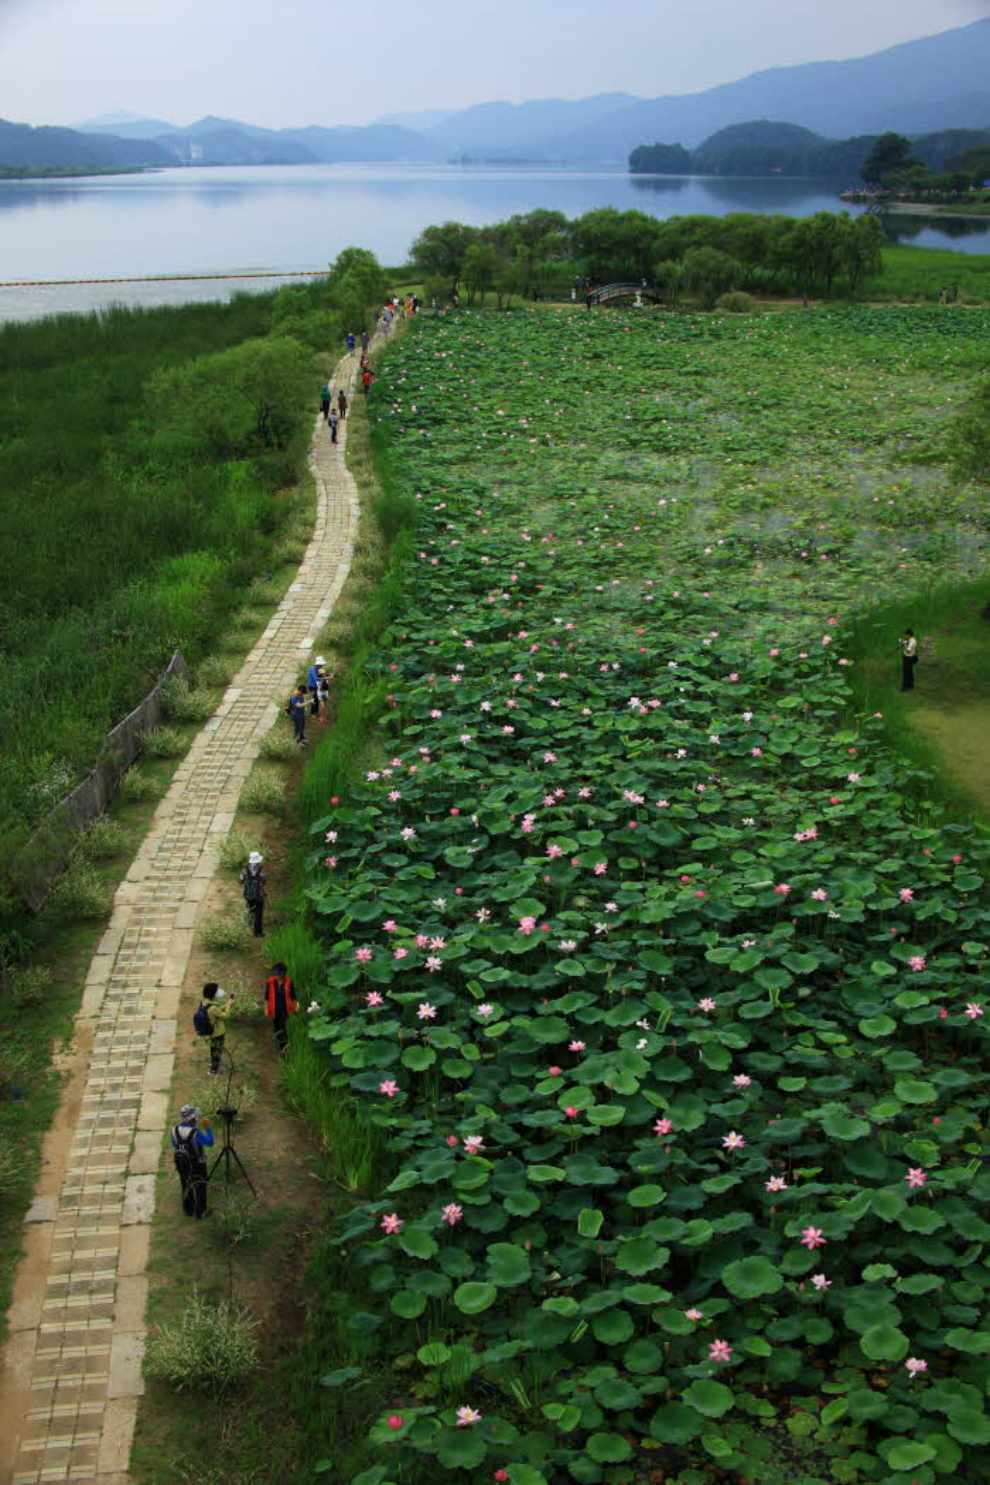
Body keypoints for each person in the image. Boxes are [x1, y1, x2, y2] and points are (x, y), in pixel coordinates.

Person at [170, 1104, 214, 1218]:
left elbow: (175, 1145)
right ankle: (201, 1212)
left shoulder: (174, 1130)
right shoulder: (195, 1133)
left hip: (182, 1163)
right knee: (200, 1186)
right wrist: (207, 1128)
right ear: (192, 1118)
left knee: (185, 1185)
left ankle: (188, 1210)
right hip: (197, 1164)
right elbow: (210, 1142)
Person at [195, 982, 231, 1075]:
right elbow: (225, 1016)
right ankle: (213, 1070)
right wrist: (229, 1006)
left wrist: (225, 1005)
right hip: (217, 1032)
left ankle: (213, 1064)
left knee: (213, 1048)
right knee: (217, 1050)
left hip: (210, 1032)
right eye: (217, 990)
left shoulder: (204, 1002)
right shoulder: (213, 1007)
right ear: (213, 994)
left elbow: (215, 1011)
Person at [264, 961, 298, 1053]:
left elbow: (293, 995)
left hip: (284, 1009)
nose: (277, 975)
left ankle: (284, 1048)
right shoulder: (270, 982)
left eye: (279, 973)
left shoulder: (289, 982)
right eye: (276, 973)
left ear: (283, 973)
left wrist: (296, 1006)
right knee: (276, 1027)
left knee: (283, 1028)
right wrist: (266, 1009)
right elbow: (266, 997)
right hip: (274, 1009)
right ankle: (278, 1044)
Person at [240, 851, 267, 935]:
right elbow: (264, 881)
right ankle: (258, 932)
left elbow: (241, 880)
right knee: (258, 914)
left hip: (248, 894)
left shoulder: (245, 870)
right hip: (259, 895)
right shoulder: (261, 870)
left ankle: (249, 928)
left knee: (251, 911)